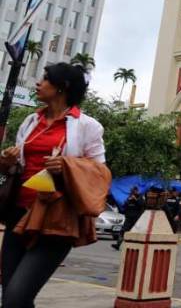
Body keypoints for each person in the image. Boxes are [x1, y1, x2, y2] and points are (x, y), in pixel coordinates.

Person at [0, 62, 110, 307]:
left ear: (63, 87)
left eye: (46, 78)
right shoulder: (31, 120)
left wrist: (67, 165)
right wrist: (7, 162)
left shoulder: (87, 126)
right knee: (10, 295)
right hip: (19, 214)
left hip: (56, 218)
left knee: (16, 297)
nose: (39, 83)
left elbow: (100, 172)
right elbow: (17, 168)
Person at [112, 186, 145, 250]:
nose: (132, 192)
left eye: (134, 191)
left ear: (137, 191)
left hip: (136, 218)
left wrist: (135, 199)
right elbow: (124, 207)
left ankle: (137, 246)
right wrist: (127, 201)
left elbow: (142, 204)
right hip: (129, 218)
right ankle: (118, 244)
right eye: (131, 191)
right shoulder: (129, 197)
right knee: (123, 231)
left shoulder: (140, 197)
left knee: (136, 232)